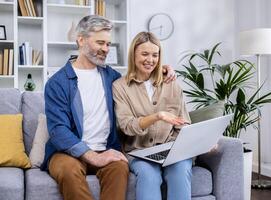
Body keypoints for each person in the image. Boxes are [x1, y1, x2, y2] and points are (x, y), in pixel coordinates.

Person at [41, 15, 176, 200]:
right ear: (81, 40)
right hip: (66, 154)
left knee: (120, 168)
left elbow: (137, 77)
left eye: (108, 44)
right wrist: (92, 156)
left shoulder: (112, 78)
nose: (106, 49)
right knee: (68, 171)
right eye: (100, 43)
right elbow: (58, 130)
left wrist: (162, 69)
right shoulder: (58, 83)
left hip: (106, 149)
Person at [113, 32, 192, 200]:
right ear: (133, 54)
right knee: (149, 176)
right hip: (138, 151)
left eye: (155, 55)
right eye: (144, 54)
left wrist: (200, 141)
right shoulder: (120, 87)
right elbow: (126, 125)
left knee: (181, 170)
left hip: (171, 148)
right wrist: (158, 116)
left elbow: (183, 123)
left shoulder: (172, 83)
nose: (150, 60)